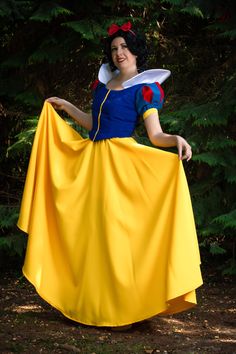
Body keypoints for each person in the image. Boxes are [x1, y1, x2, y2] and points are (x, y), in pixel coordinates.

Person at [17, 21, 203, 329]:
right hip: (93, 163)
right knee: (92, 235)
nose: (119, 53)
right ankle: (91, 304)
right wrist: (66, 107)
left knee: (118, 237)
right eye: (114, 48)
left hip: (121, 167)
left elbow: (155, 135)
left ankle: (125, 308)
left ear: (136, 51)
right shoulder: (104, 84)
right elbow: (94, 124)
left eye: (125, 47)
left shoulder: (145, 88)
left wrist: (176, 140)